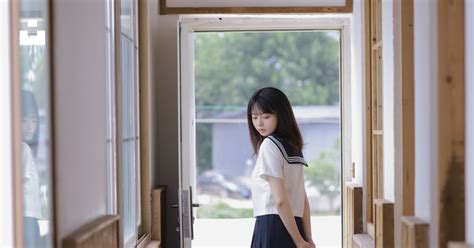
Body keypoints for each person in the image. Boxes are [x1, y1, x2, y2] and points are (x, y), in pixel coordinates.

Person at [247, 87, 315, 248]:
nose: (259, 123)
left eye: (266, 116)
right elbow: (302, 199)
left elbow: (280, 201)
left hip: (273, 227)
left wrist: (300, 241)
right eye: (254, 117)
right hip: (294, 227)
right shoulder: (293, 147)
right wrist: (307, 238)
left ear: (281, 115)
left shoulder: (270, 145)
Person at [21, 90, 43, 248]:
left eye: (34, 121)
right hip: (26, 219)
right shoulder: (23, 149)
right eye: (24, 120)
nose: (30, 127)